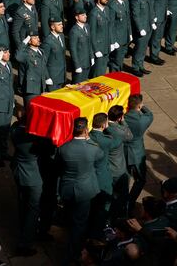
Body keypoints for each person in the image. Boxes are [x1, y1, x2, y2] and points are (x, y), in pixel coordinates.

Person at [57, 117, 103, 263]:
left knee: (71, 217)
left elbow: (58, 166)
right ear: (86, 130)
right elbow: (100, 159)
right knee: (80, 223)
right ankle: (74, 253)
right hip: (84, 190)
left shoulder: (63, 148)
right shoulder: (93, 148)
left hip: (67, 189)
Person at [10, 110, 42, 257]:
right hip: (32, 176)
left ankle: (23, 227)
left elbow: (17, 124)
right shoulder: (34, 138)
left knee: (23, 202)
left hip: (18, 172)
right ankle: (25, 243)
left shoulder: (15, 130)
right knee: (33, 209)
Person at [89, 112, 122, 238]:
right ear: (103, 125)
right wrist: (109, 127)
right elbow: (118, 140)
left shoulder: (89, 137)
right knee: (105, 204)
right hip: (103, 177)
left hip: (90, 176)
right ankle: (101, 229)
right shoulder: (107, 141)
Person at [124, 95, 154, 216]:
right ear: (140, 105)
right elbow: (150, 113)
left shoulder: (123, 118)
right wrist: (142, 107)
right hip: (137, 152)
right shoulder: (143, 120)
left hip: (124, 151)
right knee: (140, 179)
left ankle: (122, 200)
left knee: (124, 178)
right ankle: (130, 202)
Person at [107, 105, 133, 218]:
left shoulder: (104, 126)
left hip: (107, 168)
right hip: (118, 169)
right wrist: (124, 123)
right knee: (122, 196)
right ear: (119, 118)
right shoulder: (119, 130)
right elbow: (130, 136)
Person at [130, 0, 152, 77]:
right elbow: (135, 15)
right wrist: (140, 28)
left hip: (147, 26)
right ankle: (135, 67)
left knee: (144, 48)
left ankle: (141, 65)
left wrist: (152, 22)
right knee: (139, 48)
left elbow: (150, 9)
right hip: (141, 28)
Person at [89, 0, 113, 77]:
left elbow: (109, 28)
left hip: (106, 45)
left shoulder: (106, 9)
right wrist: (96, 50)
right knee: (97, 72)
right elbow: (92, 34)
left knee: (103, 70)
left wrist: (111, 42)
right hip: (99, 47)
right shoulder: (94, 13)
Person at [148, 0, 168, 66]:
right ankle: (154, 56)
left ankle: (156, 54)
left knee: (159, 36)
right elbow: (151, 2)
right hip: (157, 15)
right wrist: (153, 16)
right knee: (156, 37)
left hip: (163, 14)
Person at [40, 17, 66, 91]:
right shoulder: (48, 41)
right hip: (53, 77)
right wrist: (47, 77)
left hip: (61, 74)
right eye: (59, 25)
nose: (62, 26)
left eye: (61, 24)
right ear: (52, 27)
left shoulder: (61, 36)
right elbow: (43, 61)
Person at [69, 8, 93, 84]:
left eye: (85, 14)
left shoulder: (87, 26)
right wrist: (77, 65)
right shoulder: (74, 31)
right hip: (80, 63)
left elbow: (89, 43)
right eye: (82, 15)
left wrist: (91, 57)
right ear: (77, 17)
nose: (85, 16)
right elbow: (73, 50)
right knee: (77, 85)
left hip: (87, 61)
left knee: (85, 84)